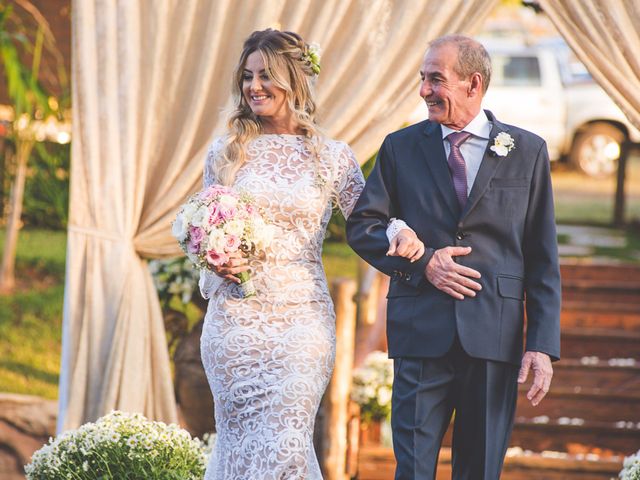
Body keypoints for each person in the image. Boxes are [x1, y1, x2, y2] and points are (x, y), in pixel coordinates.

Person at [197, 29, 422, 479]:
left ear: (294, 80)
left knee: (286, 442)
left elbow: (369, 217)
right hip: (235, 323)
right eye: (247, 76)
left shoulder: (331, 156)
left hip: (301, 322)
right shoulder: (225, 153)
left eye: (266, 75)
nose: (254, 86)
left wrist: (402, 231)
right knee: (238, 445)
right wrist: (216, 262)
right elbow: (205, 230)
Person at [346, 34, 561, 479]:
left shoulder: (529, 151)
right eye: (423, 79)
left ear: (473, 84)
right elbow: (362, 226)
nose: (424, 90)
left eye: (435, 80)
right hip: (420, 332)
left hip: (493, 336)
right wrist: (423, 263)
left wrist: (540, 344)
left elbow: (542, 259)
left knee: (480, 471)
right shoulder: (399, 147)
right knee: (413, 470)